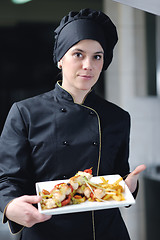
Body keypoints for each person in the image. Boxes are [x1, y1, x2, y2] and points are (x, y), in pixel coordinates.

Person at [0, 8, 146, 240]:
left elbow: (116, 176)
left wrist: (129, 185)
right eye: (78, 54)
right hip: (47, 231)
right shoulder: (25, 112)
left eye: (97, 56)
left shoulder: (117, 117)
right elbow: (8, 178)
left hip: (106, 232)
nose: (88, 64)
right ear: (60, 59)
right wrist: (9, 205)